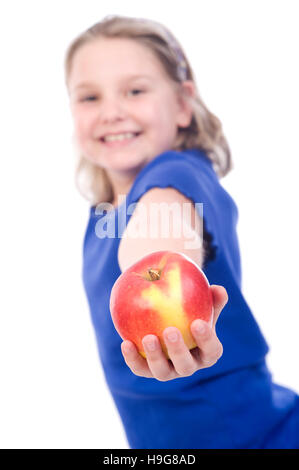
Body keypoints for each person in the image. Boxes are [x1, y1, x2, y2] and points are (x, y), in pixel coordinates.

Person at [64, 15, 299, 449]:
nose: (112, 111)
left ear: (183, 105)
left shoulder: (177, 173)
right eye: (89, 96)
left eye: (135, 90)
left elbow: (162, 227)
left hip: (257, 437)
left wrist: (155, 271)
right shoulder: (101, 215)